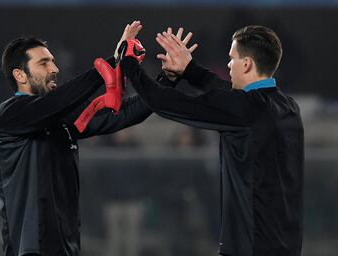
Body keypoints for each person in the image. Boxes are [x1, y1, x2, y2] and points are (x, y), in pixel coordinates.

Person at [120, 25, 304, 256]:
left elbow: (163, 101)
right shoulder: (288, 107)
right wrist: (190, 70)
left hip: (250, 248)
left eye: (232, 59)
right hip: (288, 246)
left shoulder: (244, 109)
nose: (228, 65)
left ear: (246, 64)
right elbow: (229, 96)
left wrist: (127, 62)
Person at [0, 21, 152, 256]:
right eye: (44, 63)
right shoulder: (9, 115)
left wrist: (166, 81)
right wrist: (109, 63)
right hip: (30, 249)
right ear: (20, 74)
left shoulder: (62, 115)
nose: (54, 68)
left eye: (53, 61)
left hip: (68, 249)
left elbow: (121, 115)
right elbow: (55, 103)